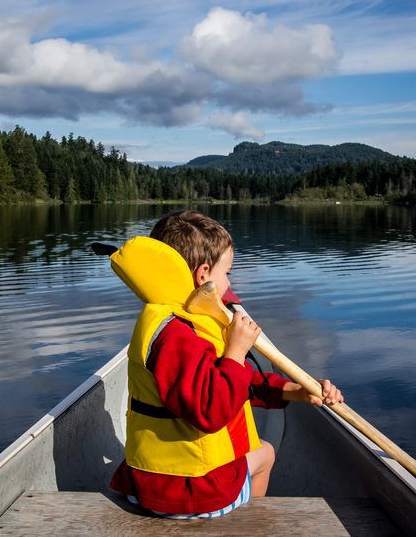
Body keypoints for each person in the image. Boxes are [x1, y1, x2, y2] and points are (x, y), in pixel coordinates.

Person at [108, 210, 343, 518]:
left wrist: (297, 391)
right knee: (266, 454)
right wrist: (235, 350)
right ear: (203, 274)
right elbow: (210, 410)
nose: (230, 281)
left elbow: (239, 380)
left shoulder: (178, 318)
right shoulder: (178, 336)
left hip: (156, 483)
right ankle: (249, 523)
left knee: (256, 448)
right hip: (190, 493)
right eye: (227, 272)